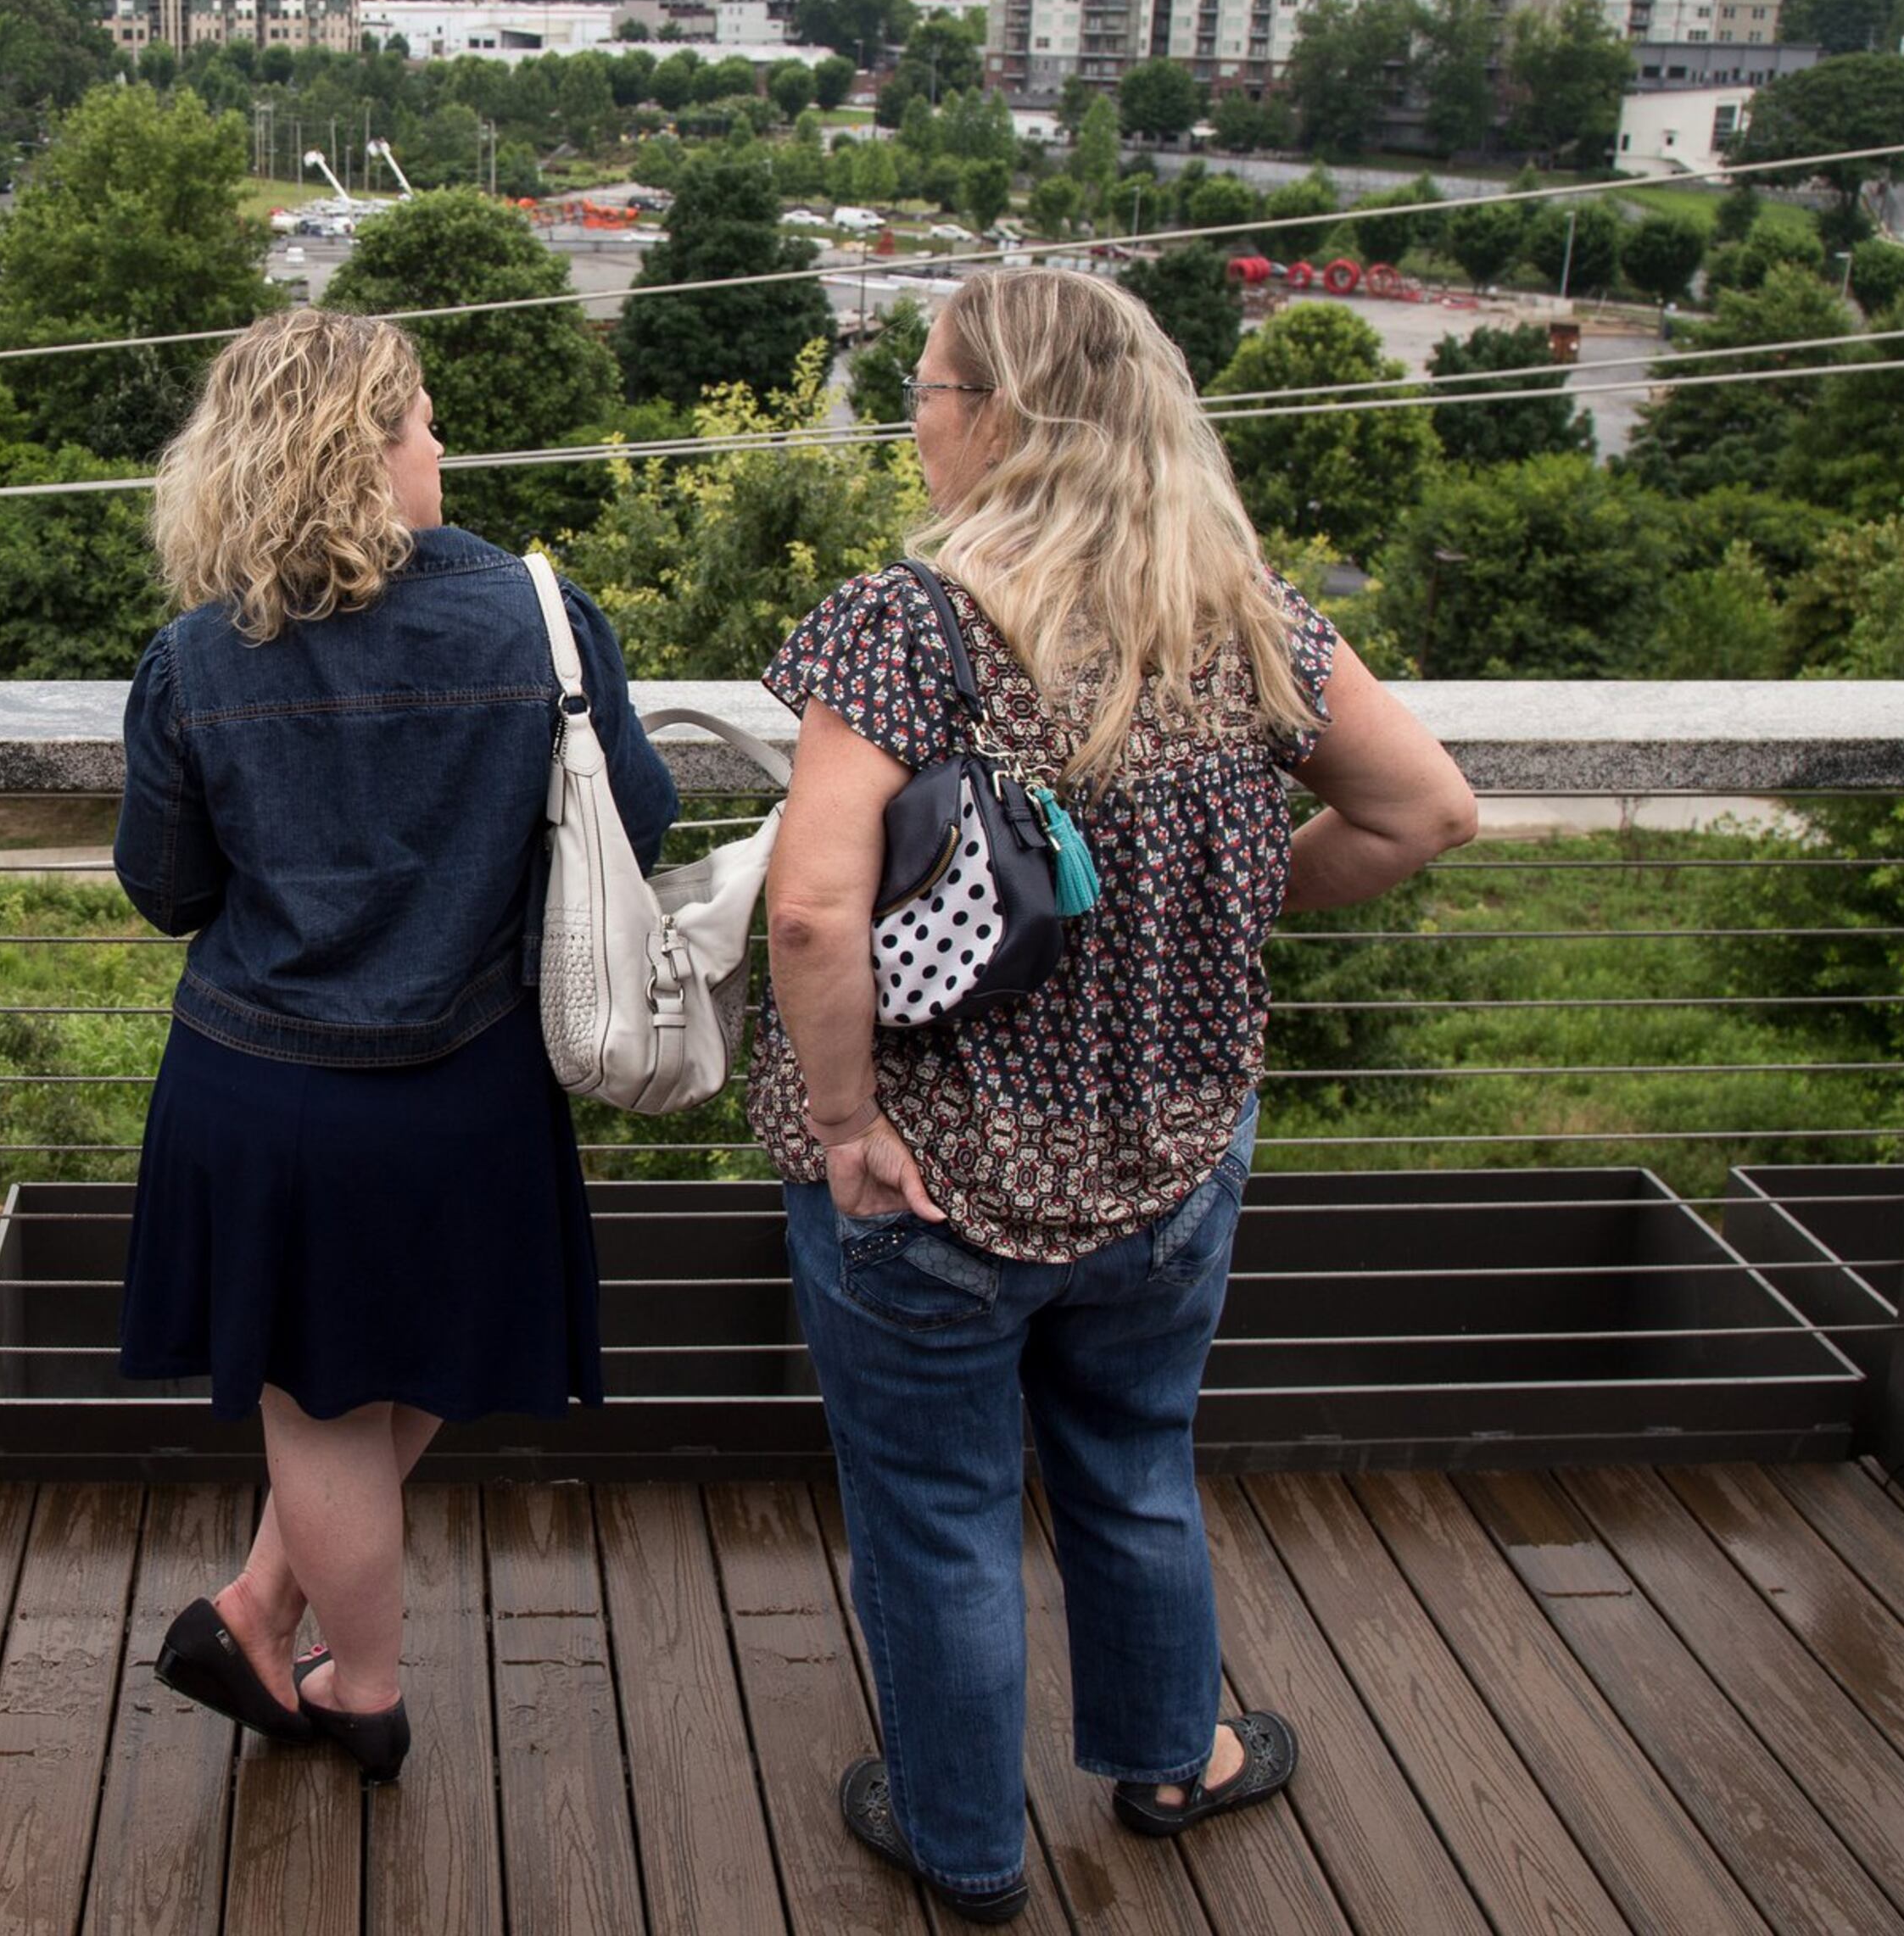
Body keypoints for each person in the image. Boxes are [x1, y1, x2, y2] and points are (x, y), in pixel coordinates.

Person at [754, 268, 1477, 1924]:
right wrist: (1227, 898)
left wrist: (851, 1123)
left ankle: (965, 1843)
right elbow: (1425, 814)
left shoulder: (908, 624)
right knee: (1138, 1466)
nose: (915, 421)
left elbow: (809, 910)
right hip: (1170, 1165)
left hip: (930, 1185)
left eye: (930, 391)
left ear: (1003, 419)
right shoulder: (1238, 611)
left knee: (937, 1519)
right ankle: (1173, 1762)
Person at [113, 309, 676, 1784]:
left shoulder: (192, 656)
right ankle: (348, 1679)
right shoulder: (538, 617)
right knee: (382, 1367)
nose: (442, 447)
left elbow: (167, 888)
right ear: (357, 451)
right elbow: (642, 818)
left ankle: (305, 1642)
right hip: (471, 1076)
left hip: (264, 1086)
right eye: (420, 421)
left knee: (319, 1389)